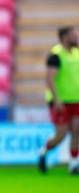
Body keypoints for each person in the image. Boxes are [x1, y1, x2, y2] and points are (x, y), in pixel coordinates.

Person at [39, 26, 79, 175]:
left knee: (77, 130)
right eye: (73, 35)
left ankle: (73, 164)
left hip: (76, 99)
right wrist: (56, 99)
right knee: (61, 135)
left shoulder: (77, 53)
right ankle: (43, 152)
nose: (76, 37)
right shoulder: (55, 55)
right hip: (61, 101)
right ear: (64, 38)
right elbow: (50, 79)